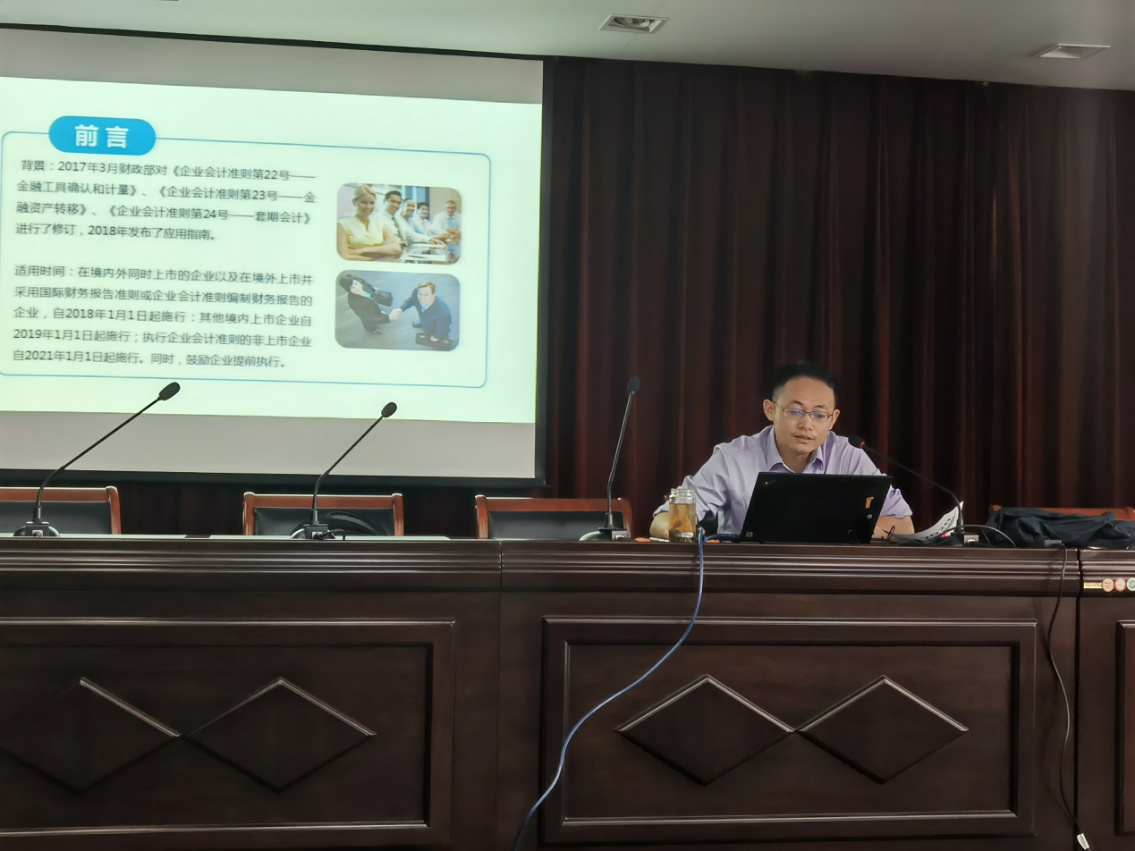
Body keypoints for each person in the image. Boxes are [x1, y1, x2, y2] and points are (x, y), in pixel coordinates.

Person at [649, 361, 914, 540]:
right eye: (795, 411)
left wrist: (846, 529)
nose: (806, 424)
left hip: (830, 580)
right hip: (749, 581)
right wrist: (687, 533)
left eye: (819, 415)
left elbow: (904, 525)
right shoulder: (733, 458)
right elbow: (663, 520)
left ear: (833, 419)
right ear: (770, 410)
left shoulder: (848, 455)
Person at [336, 184, 401, 261]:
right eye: (363, 202)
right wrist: (380, 255)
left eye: (372, 203)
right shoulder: (342, 225)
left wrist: (361, 250)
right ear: (354, 202)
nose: (368, 207)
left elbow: (397, 248)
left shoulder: (380, 223)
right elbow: (344, 256)